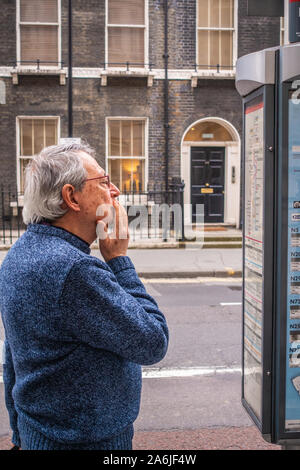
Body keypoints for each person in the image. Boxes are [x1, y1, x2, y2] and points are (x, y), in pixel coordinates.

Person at [0, 142, 169, 450]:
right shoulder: (75, 270)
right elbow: (153, 341)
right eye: (104, 182)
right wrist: (118, 259)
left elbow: (13, 359)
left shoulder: (19, 253)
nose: (115, 191)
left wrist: (19, 434)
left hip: (37, 432)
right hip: (87, 441)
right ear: (71, 197)